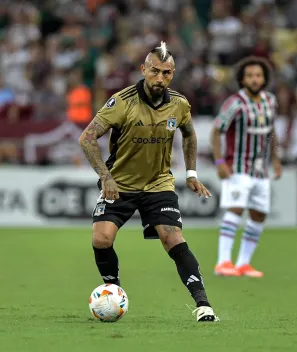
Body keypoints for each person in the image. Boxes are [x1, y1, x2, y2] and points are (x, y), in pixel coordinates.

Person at [79, 42, 218, 322]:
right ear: (143, 69)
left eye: (166, 73)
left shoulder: (179, 104)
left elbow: (189, 134)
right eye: (154, 71)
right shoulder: (122, 102)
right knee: (101, 238)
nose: (160, 78)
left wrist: (191, 173)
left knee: (173, 238)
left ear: (173, 74)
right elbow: (87, 137)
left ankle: (203, 305)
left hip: (158, 184)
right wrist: (105, 177)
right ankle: (114, 291)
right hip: (119, 183)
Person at [211, 56, 282, 278]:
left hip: (260, 170)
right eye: (250, 75)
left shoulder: (270, 101)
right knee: (235, 209)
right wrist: (220, 161)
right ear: (242, 79)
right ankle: (223, 262)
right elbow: (216, 131)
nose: (254, 79)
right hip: (237, 167)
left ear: (264, 78)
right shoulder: (235, 103)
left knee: (259, 214)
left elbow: (271, 133)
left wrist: (276, 160)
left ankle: (243, 263)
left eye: (258, 75)